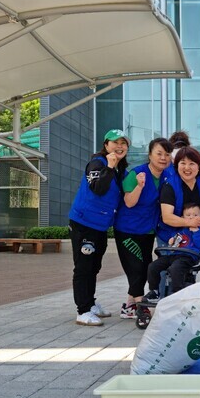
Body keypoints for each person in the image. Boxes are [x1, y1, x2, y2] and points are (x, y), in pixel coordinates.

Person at [69, 129, 129, 326]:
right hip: (84, 223)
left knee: (94, 266)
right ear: (106, 145)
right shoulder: (98, 163)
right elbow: (98, 188)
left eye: (123, 143)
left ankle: (90, 303)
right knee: (84, 267)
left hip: (100, 226)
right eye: (115, 142)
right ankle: (83, 311)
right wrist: (110, 167)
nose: (119, 146)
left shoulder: (121, 169)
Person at [114, 137, 172, 319]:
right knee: (136, 268)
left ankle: (129, 306)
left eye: (167, 154)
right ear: (150, 155)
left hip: (148, 231)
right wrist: (139, 186)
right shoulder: (137, 173)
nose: (163, 158)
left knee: (145, 267)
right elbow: (129, 202)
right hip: (128, 230)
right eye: (159, 153)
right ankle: (142, 308)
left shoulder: (167, 176)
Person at [145, 203, 200, 298]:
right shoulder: (180, 229)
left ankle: (177, 292)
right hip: (175, 254)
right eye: (188, 215)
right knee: (153, 266)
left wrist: (196, 231)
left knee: (175, 268)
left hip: (189, 256)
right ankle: (154, 291)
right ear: (183, 217)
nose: (191, 218)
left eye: (195, 215)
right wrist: (171, 240)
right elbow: (174, 238)